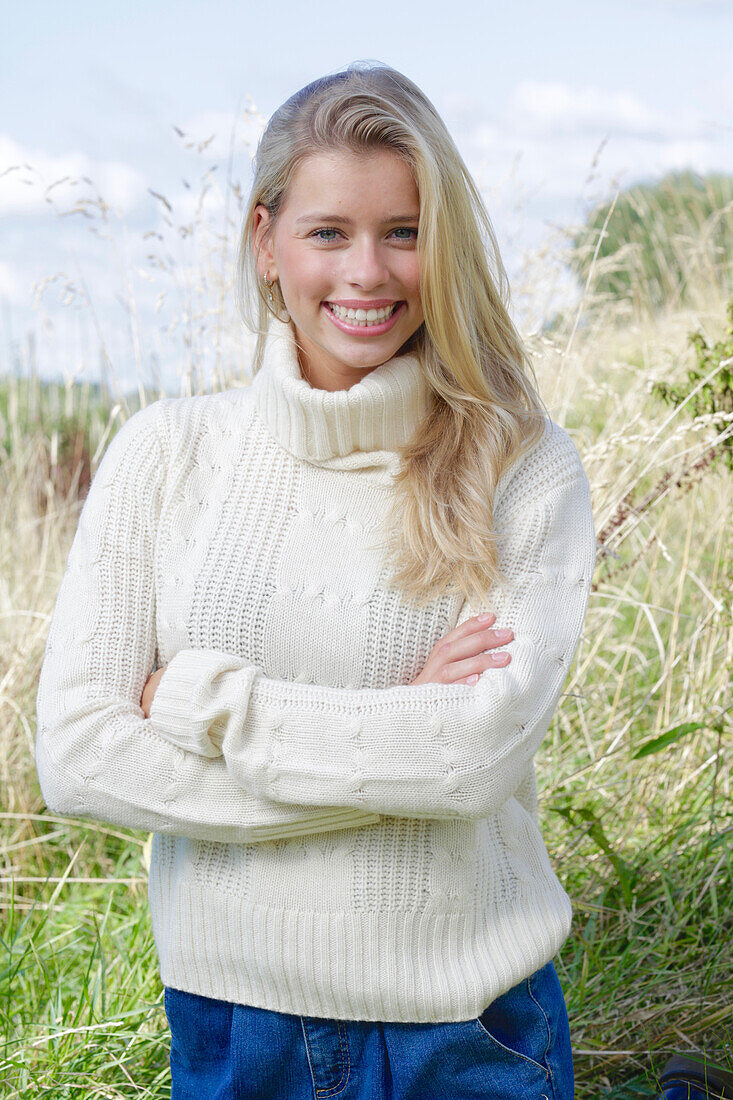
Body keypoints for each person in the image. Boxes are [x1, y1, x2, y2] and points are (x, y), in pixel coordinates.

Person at [35, 61, 598, 1100]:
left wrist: (205, 700)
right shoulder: (164, 453)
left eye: (404, 231)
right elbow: (77, 754)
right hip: (233, 1018)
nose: (369, 272)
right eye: (329, 232)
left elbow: (469, 762)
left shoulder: (523, 464)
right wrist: (394, 738)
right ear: (265, 242)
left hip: (463, 1021)